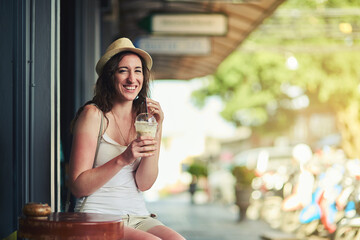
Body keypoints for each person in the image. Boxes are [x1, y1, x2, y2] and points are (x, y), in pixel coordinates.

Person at [69, 37, 185, 240]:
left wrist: (158, 127)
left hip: (138, 216)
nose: (132, 79)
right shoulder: (93, 115)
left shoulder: (144, 120)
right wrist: (124, 157)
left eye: (137, 71)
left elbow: (144, 183)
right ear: (109, 76)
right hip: (97, 215)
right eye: (123, 70)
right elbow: (78, 187)